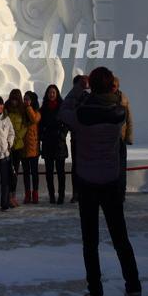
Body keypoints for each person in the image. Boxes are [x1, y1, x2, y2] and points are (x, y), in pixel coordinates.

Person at [59, 68, 142, 296]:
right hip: (111, 181)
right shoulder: (118, 112)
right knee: (121, 238)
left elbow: (63, 111)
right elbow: (112, 99)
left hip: (87, 182)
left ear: (91, 86)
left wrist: (77, 91)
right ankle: (134, 289)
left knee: (90, 242)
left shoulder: (82, 114)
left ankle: (95, 293)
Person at [40, 85, 68, 204]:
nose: (51, 94)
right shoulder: (43, 108)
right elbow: (40, 125)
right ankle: (51, 195)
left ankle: (61, 195)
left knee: (61, 172)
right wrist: (43, 135)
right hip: (47, 143)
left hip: (59, 143)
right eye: (50, 92)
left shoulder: (62, 107)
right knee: (49, 172)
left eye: (53, 92)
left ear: (57, 94)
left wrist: (62, 134)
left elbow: (67, 123)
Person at [68, 75, 88, 204]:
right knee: (76, 166)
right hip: (76, 136)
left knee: (86, 165)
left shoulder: (87, 97)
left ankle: (85, 192)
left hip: (86, 137)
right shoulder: (71, 99)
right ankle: (76, 193)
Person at [113, 77, 134, 203]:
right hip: (110, 138)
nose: (113, 86)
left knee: (121, 167)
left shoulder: (123, 98)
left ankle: (121, 193)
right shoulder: (106, 97)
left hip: (120, 138)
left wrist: (129, 137)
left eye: (115, 84)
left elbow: (129, 119)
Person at [5, 89, 27, 208]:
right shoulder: (6, 109)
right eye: (12, 99)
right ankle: (8, 196)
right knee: (8, 172)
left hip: (18, 146)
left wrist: (17, 137)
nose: (14, 102)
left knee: (15, 172)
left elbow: (25, 126)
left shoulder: (22, 111)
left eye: (16, 99)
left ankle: (12, 196)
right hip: (7, 146)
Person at [21, 91, 41, 204]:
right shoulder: (22, 111)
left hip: (33, 148)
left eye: (28, 99)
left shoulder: (37, 112)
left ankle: (35, 193)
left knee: (34, 172)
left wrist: (28, 107)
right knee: (25, 172)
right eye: (25, 99)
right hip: (23, 147)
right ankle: (27, 194)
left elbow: (33, 119)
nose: (26, 101)